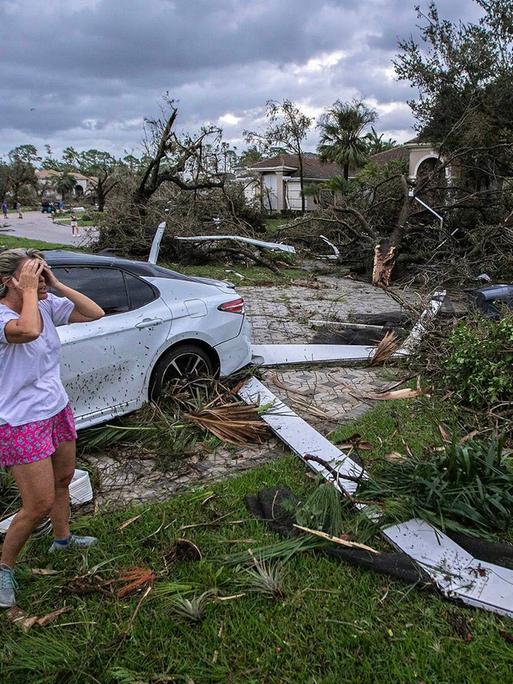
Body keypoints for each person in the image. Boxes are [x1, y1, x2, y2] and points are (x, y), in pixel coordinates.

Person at [0, 248, 105, 608]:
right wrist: (29, 291)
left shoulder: (45, 304)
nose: (40, 280)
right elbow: (26, 331)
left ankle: (62, 539)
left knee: (64, 480)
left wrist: (55, 283)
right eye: (33, 274)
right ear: (8, 281)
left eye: (42, 273)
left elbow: (94, 312)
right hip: (19, 421)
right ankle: (3, 569)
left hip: (55, 409)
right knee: (38, 503)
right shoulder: (5, 317)